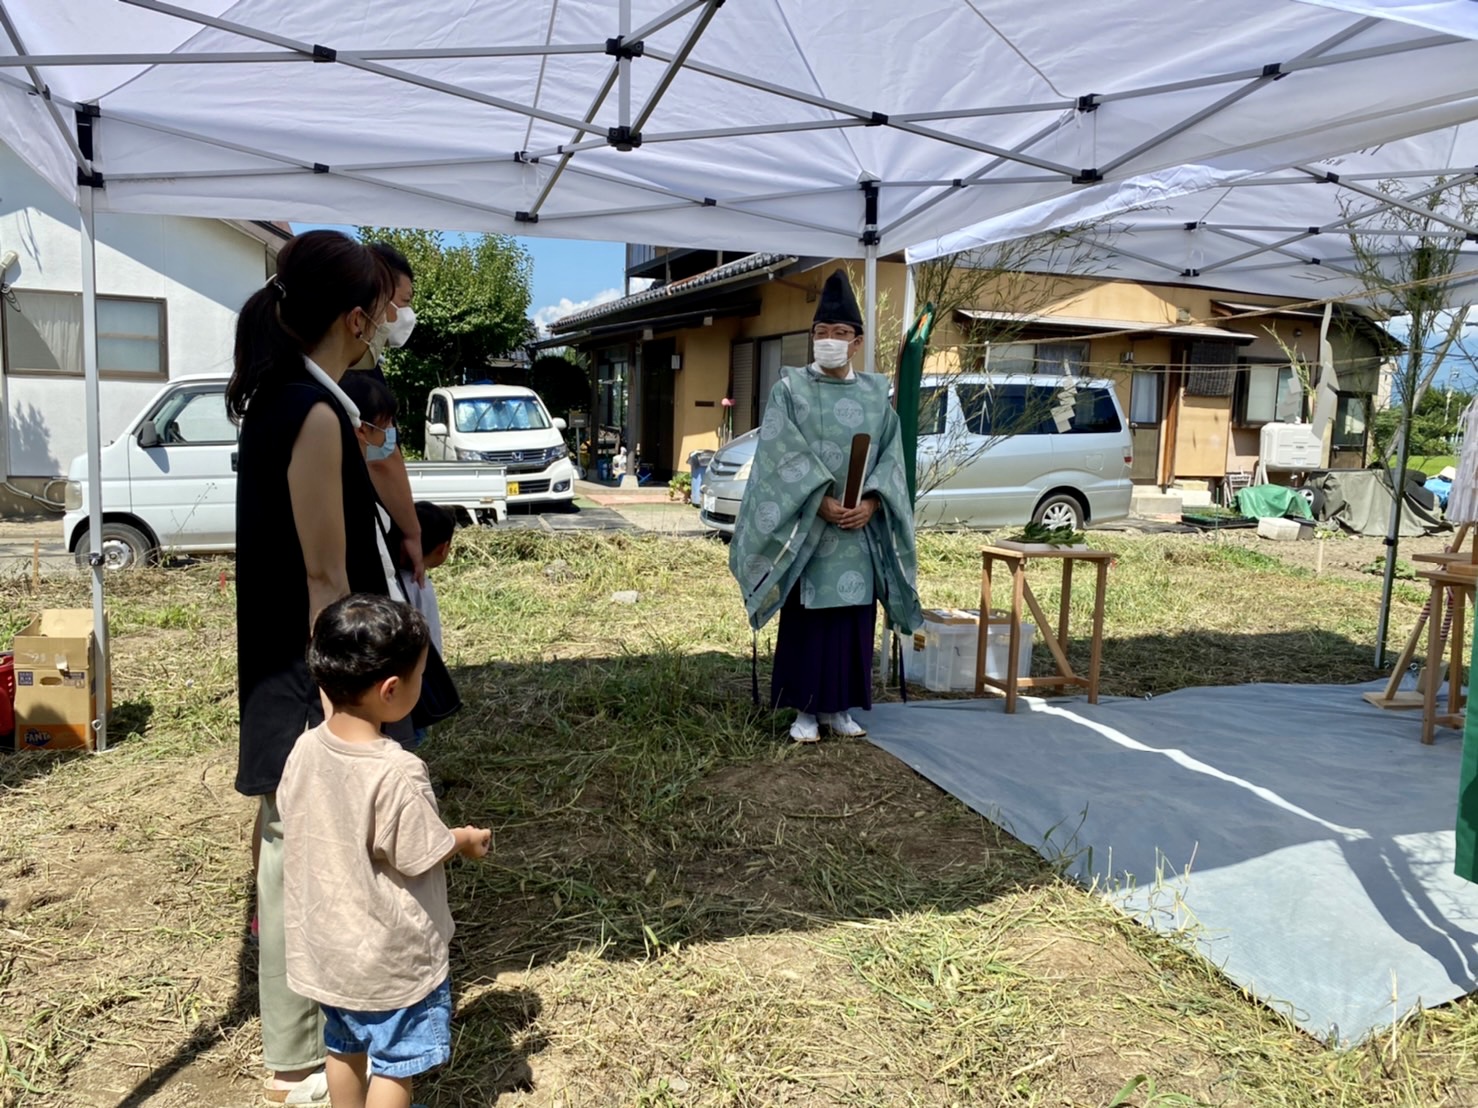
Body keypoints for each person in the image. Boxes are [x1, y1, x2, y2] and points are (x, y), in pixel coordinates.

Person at [230, 229, 396, 1104]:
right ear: (355, 317)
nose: (387, 324)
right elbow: (326, 575)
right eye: (382, 309)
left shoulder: (279, 396)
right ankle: (298, 1056)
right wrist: (348, 702)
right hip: (307, 673)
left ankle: (297, 1042)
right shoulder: (317, 411)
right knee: (305, 851)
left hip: (279, 664)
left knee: (292, 843)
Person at [279, 594, 490, 1108]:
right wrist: (463, 840)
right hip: (388, 960)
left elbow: (291, 810)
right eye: (420, 675)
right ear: (392, 690)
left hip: (328, 950)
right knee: (397, 1066)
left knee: (344, 1048)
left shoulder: (306, 746)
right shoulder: (395, 770)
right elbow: (421, 851)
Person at [728, 269, 923, 743]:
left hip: (857, 529)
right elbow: (778, 454)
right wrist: (818, 502)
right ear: (811, 339)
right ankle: (805, 711)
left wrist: (874, 502)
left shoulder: (877, 395)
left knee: (852, 618)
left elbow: (892, 456)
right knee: (809, 619)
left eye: (839, 333)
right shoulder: (790, 390)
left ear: (856, 342)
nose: (829, 341)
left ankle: (840, 707)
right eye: (821, 333)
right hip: (810, 529)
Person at [353, 242, 425, 584]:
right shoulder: (357, 375)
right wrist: (411, 531)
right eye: (402, 302)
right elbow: (381, 457)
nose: (398, 317)